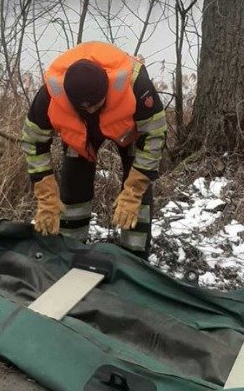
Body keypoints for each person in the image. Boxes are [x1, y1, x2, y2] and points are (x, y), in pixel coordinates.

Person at [20, 41, 168, 258]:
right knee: (74, 184)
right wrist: (46, 194)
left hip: (129, 131)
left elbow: (155, 135)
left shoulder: (136, 84)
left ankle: (135, 256)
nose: (90, 110)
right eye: (84, 108)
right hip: (80, 133)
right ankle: (70, 249)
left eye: (96, 105)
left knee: (137, 193)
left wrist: (134, 190)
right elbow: (33, 141)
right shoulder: (51, 94)